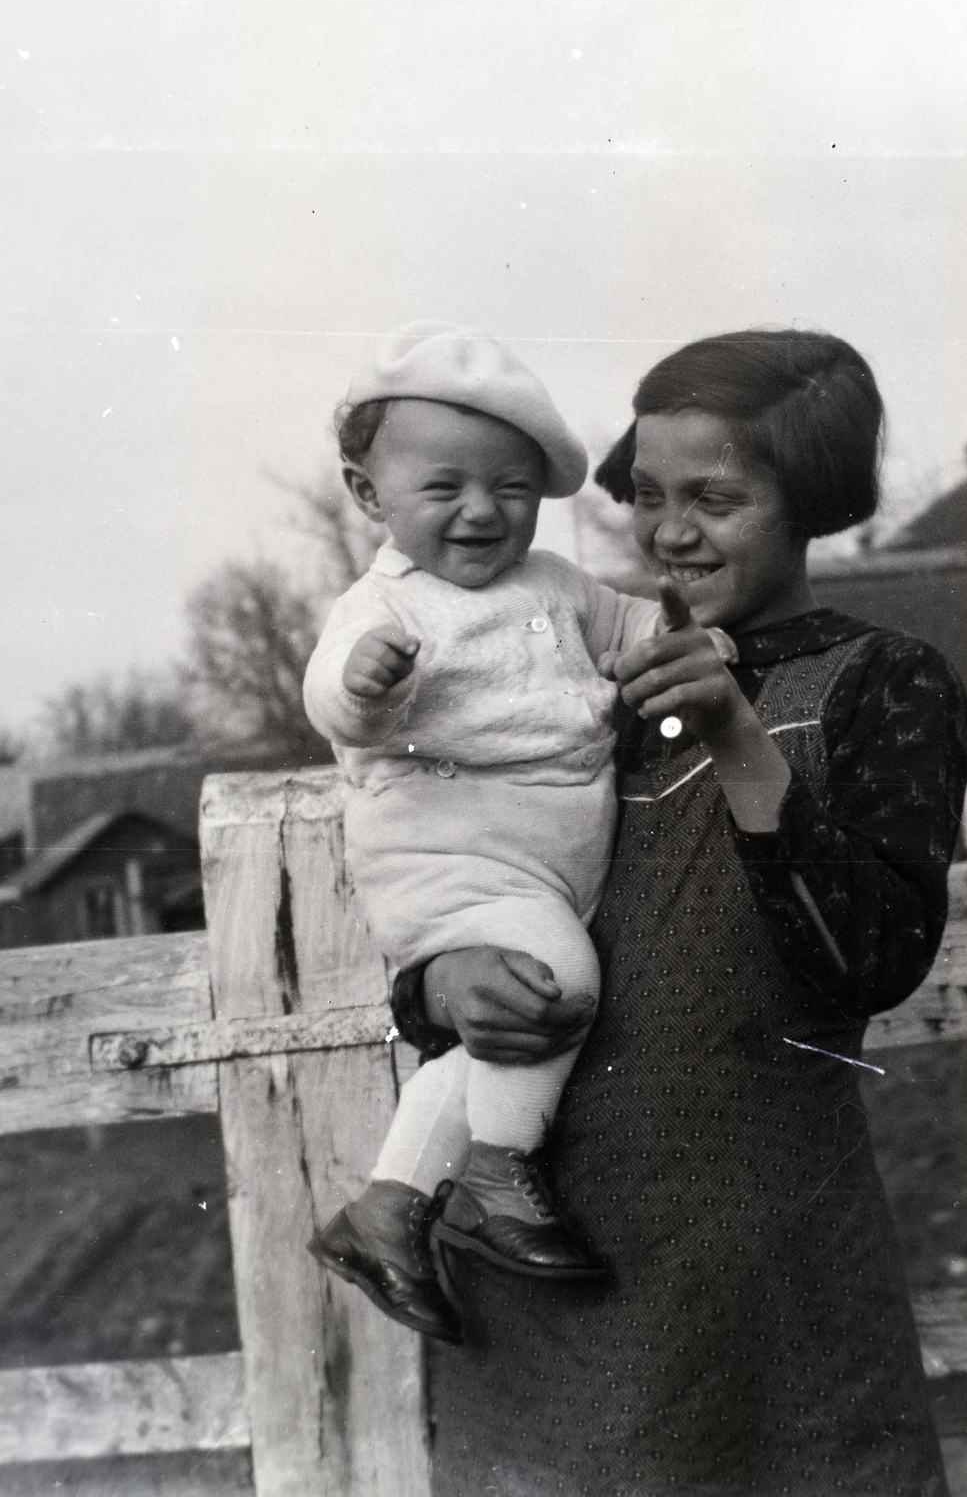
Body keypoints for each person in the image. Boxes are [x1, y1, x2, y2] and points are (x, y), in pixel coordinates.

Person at [390, 329, 967, 1496]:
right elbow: (452, 884)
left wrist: (735, 735)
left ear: (807, 500)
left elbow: (871, 956)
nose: (668, 533)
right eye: (648, 495)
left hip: (767, 1275)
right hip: (547, 1262)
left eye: (714, 498)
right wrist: (437, 988)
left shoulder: (886, 682)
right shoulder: (568, 678)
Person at [304, 324, 726, 1346]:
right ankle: (496, 1176)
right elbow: (334, 697)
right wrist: (364, 685)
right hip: (453, 861)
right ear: (369, 496)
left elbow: (637, 632)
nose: (483, 512)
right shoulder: (383, 611)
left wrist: (692, 642)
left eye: (511, 488)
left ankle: (389, 1206)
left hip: (542, 867)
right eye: (443, 488)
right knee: (558, 990)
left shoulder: (555, 586)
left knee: (508, 1032)